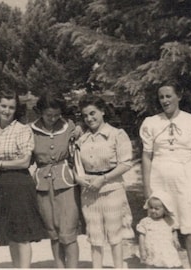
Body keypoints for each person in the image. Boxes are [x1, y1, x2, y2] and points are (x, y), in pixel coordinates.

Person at [139, 82, 191, 268]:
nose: (165, 100)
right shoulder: (151, 123)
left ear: (178, 96)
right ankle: (163, 264)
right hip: (160, 179)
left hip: (186, 178)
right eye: (161, 97)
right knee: (160, 226)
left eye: (168, 96)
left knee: (190, 226)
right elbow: (147, 156)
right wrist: (147, 186)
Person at [0, 89, 46, 268]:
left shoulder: (22, 130)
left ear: (16, 110)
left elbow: (24, 161)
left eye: (11, 107)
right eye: (3, 106)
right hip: (1, 184)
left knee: (22, 233)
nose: (6, 110)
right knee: (10, 233)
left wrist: (1, 164)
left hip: (20, 183)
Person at [74, 94, 133, 268]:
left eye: (93, 113)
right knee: (95, 237)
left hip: (112, 189)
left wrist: (103, 179)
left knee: (115, 236)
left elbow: (125, 164)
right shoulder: (81, 138)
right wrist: (78, 178)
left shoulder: (117, 135)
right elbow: (76, 164)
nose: (89, 118)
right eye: (85, 116)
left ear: (103, 111)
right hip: (89, 192)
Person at [30, 92, 82, 268]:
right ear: (40, 112)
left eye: (56, 115)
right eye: (48, 115)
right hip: (43, 184)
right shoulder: (31, 130)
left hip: (66, 181)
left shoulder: (69, 126)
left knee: (68, 230)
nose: (52, 119)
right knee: (53, 231)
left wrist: (80, 131)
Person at [137, 190, 182, 268]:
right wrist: (142, 250)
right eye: (151, 208)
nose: (153, 210)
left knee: (167, 264)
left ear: (165, 209)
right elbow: (141, 236)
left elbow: (173, 230)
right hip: (151, 249)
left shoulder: (169, 220)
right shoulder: (145, 221)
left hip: (166, 249)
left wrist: (175, 239)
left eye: (156, 208)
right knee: (150, 264)